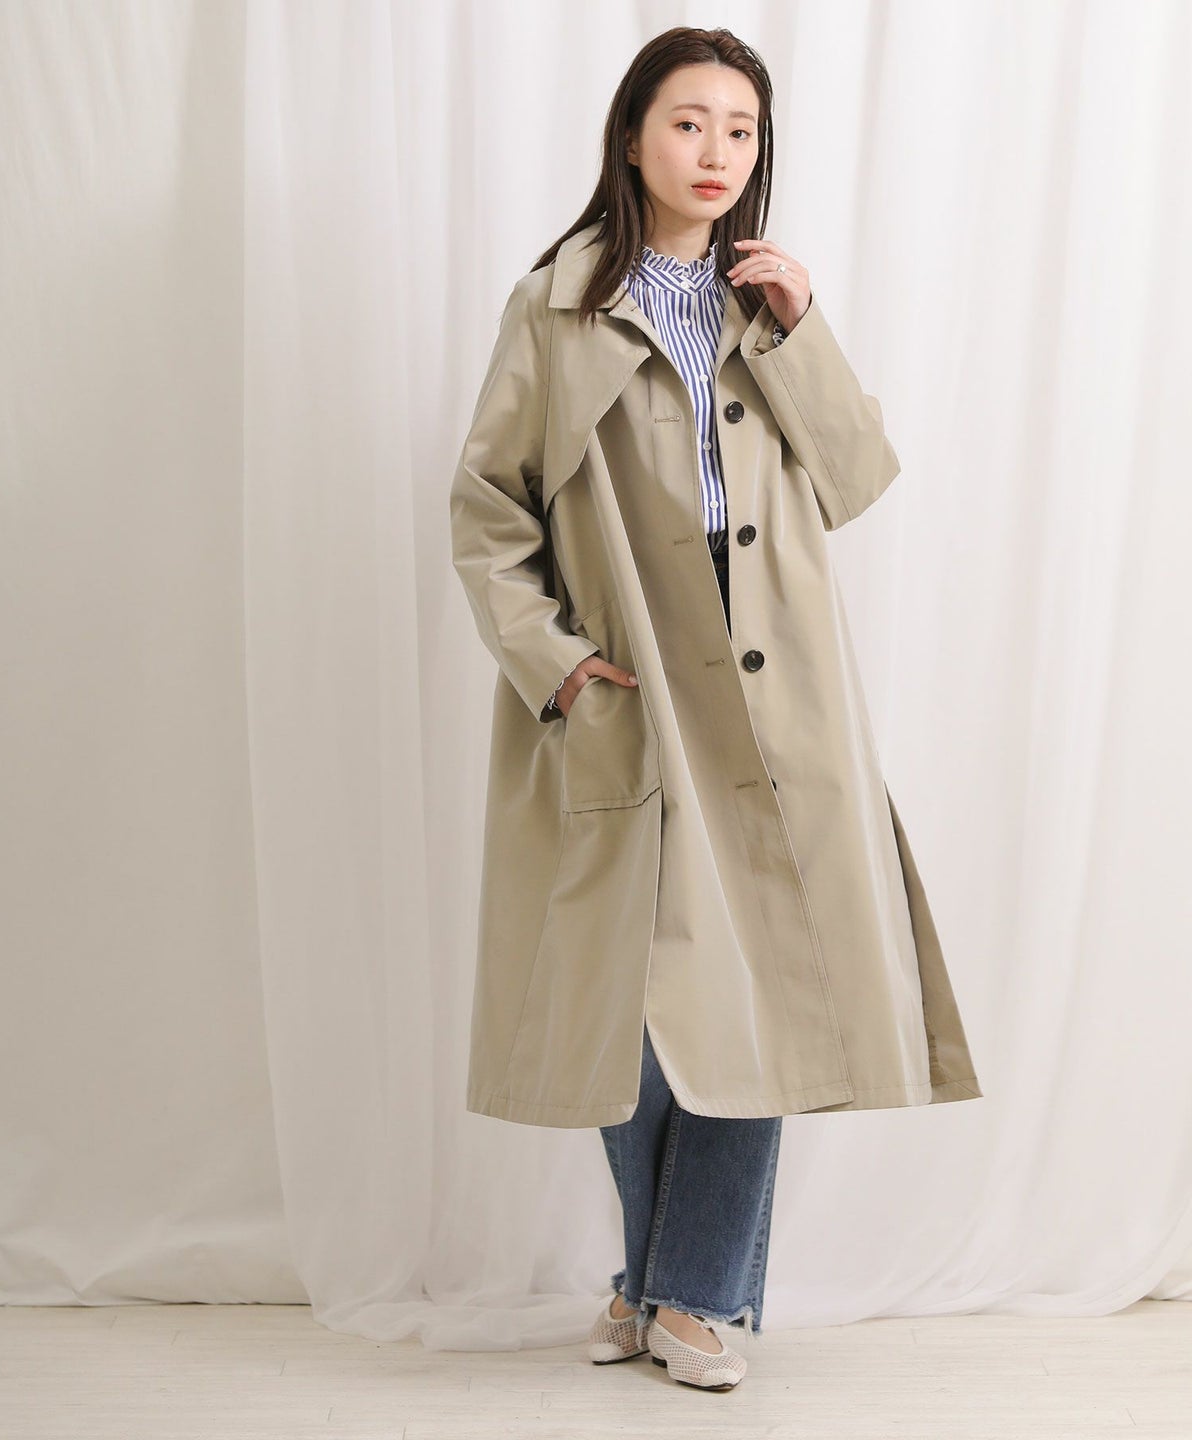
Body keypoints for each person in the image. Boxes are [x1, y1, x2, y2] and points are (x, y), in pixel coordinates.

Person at [449, 25, 982, 1394]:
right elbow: (488, 510)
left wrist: (805, 327)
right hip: (630, 680)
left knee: (768, 989)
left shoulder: (767, 304)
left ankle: (683, 1293)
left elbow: (857, 480)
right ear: (633, 137)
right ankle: (665, 1283)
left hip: (776, 692)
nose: (716, 153)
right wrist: (558, 664)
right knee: (626, 996)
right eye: (689, 123)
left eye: (740, 131)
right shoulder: (557, 307)